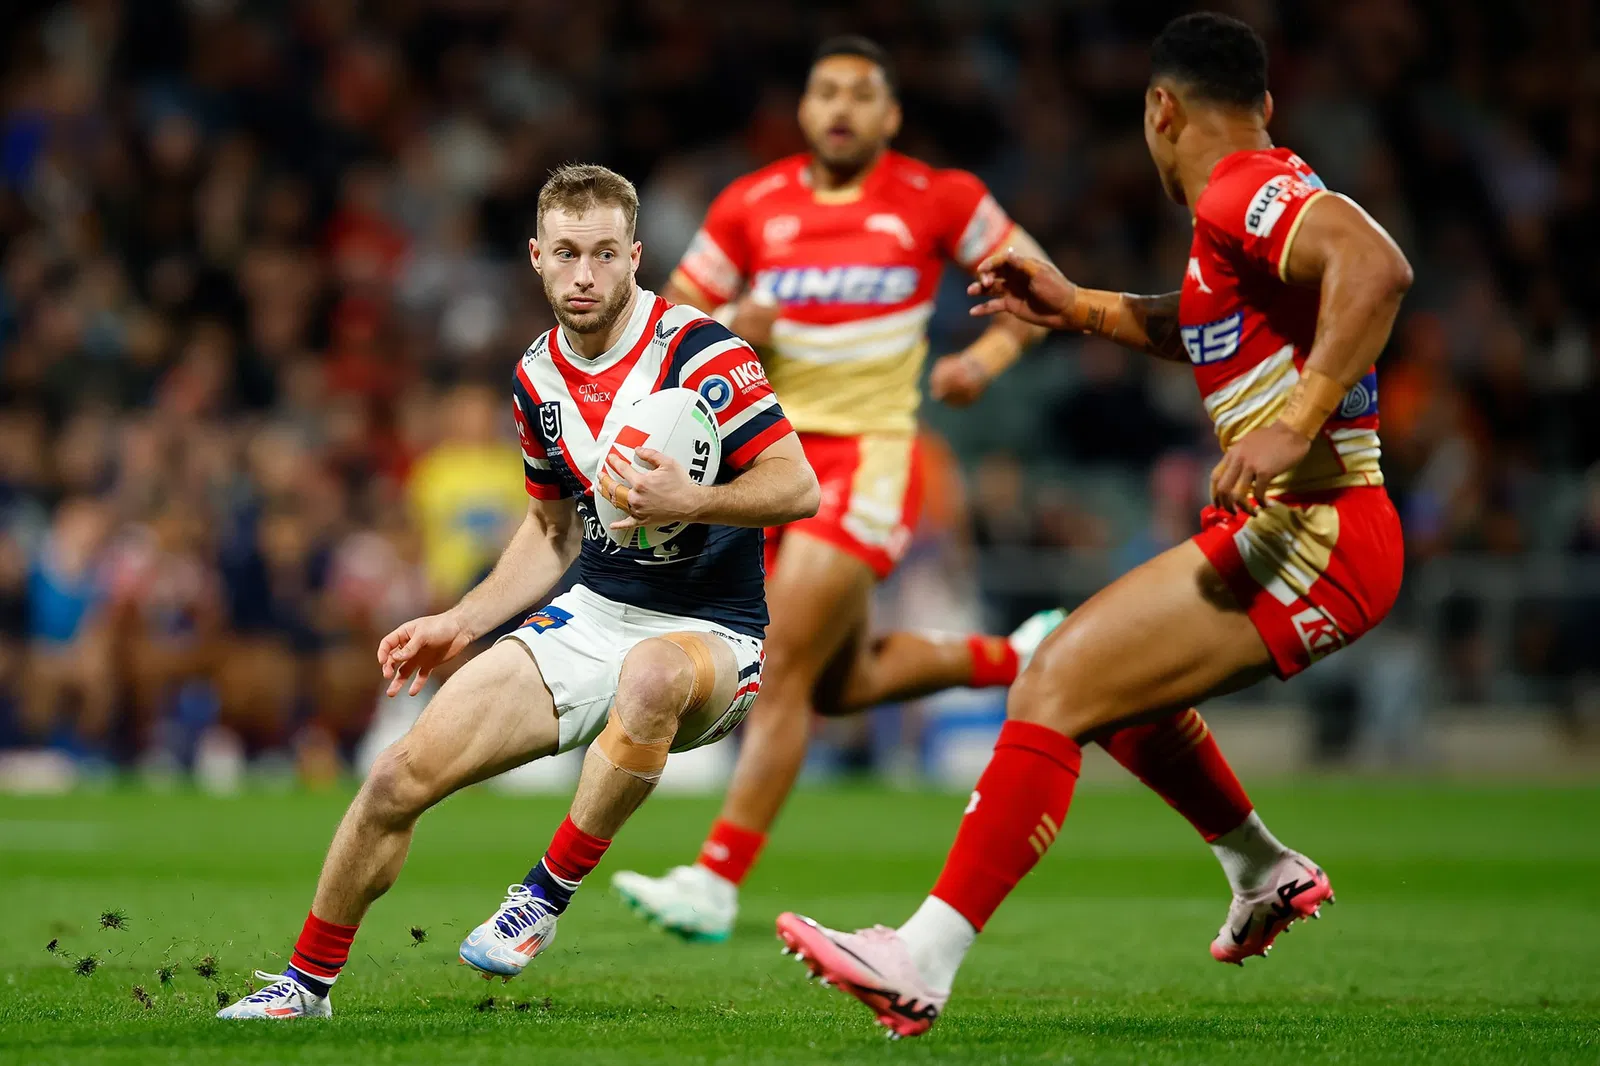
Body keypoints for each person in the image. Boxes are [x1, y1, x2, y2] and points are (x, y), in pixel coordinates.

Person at [774, 12, 1412, 1037]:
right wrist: (1075, 306)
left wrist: (1295, 425)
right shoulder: (1234, 218)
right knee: (1118, 694)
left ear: (1160, 110)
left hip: (1320, 529)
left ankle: (921, 956)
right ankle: (1260, 867)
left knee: (1056, 678)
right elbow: (1200, 321)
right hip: (1308, 529)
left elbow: (1376, 268)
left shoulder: (1244, 186)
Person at [613, 34, 1317, 961]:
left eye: (863, 94)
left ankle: (714, 878)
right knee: (838, 678)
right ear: (803, 108)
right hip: (764, 459)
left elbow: (1041, 288)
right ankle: (1015, 651)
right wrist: (730, 325)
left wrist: (985, 359)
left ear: (892, 116)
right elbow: (671, 319)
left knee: (777, 659)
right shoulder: (753, 204)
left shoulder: (936, 197)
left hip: (867, 460)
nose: (841, 108)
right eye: (825, 90)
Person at [217, 163, 819, 1019]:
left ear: (635, 256)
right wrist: (457, 621)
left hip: (711, 632)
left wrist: (696, 499)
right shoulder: (536, 377)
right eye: (567, 254)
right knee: (395, 779)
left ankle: (541, 895)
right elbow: (550, 533)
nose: (585, 275)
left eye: (605, 254)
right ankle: (304, 986)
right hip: (594, 614)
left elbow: (799, 488)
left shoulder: (701, 352)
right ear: (536, 258)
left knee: (650, 676)